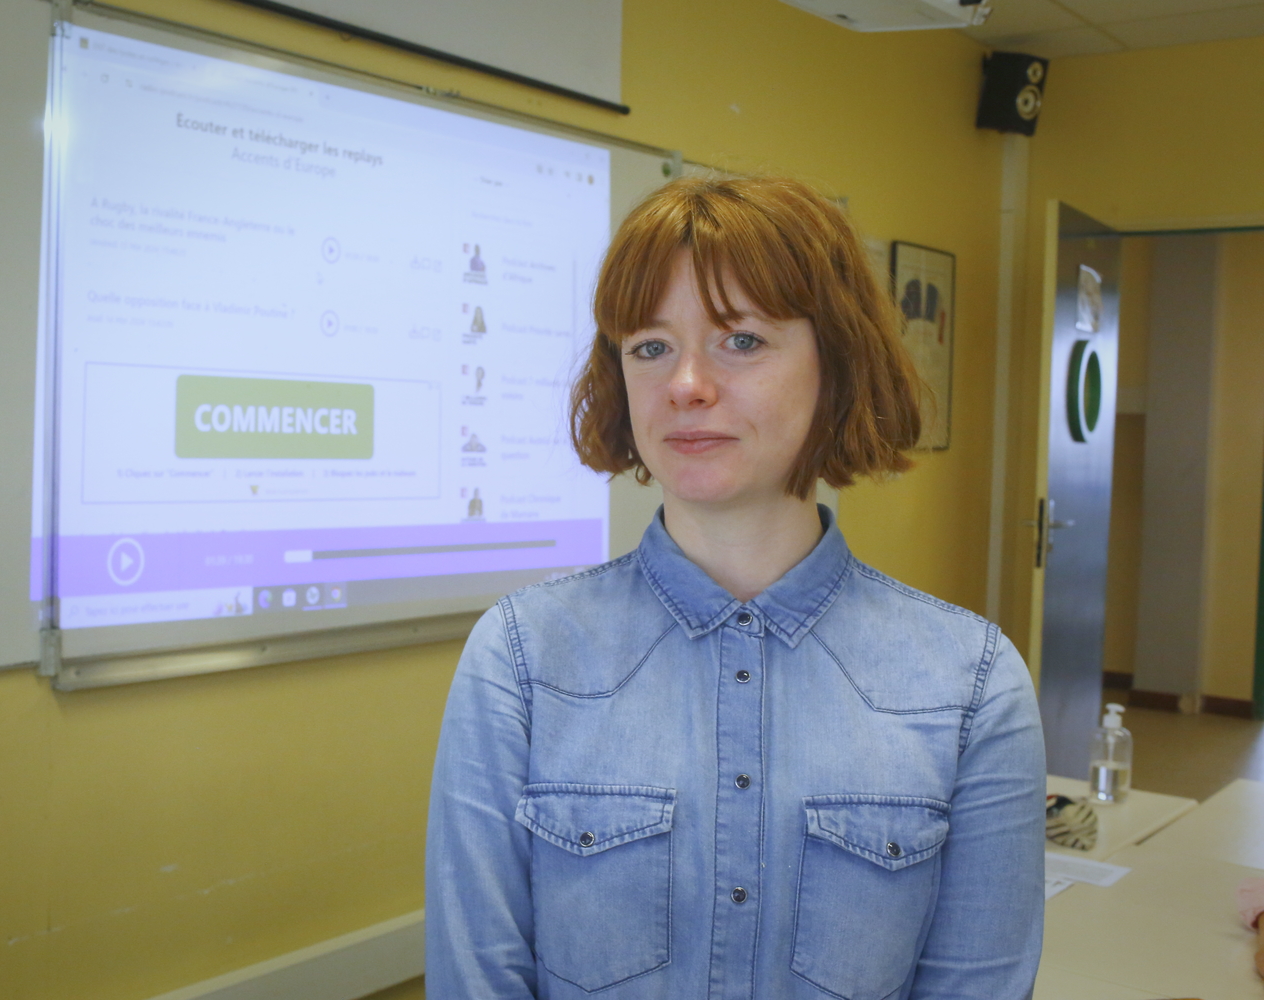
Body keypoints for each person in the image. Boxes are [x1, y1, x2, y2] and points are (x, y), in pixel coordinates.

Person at [425, 175, 1046, 999]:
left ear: (838, 362)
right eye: (649, 346)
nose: (685, 383)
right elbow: (478, 980)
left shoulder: (970, 682)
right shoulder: (520, 657)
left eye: (741, 340)